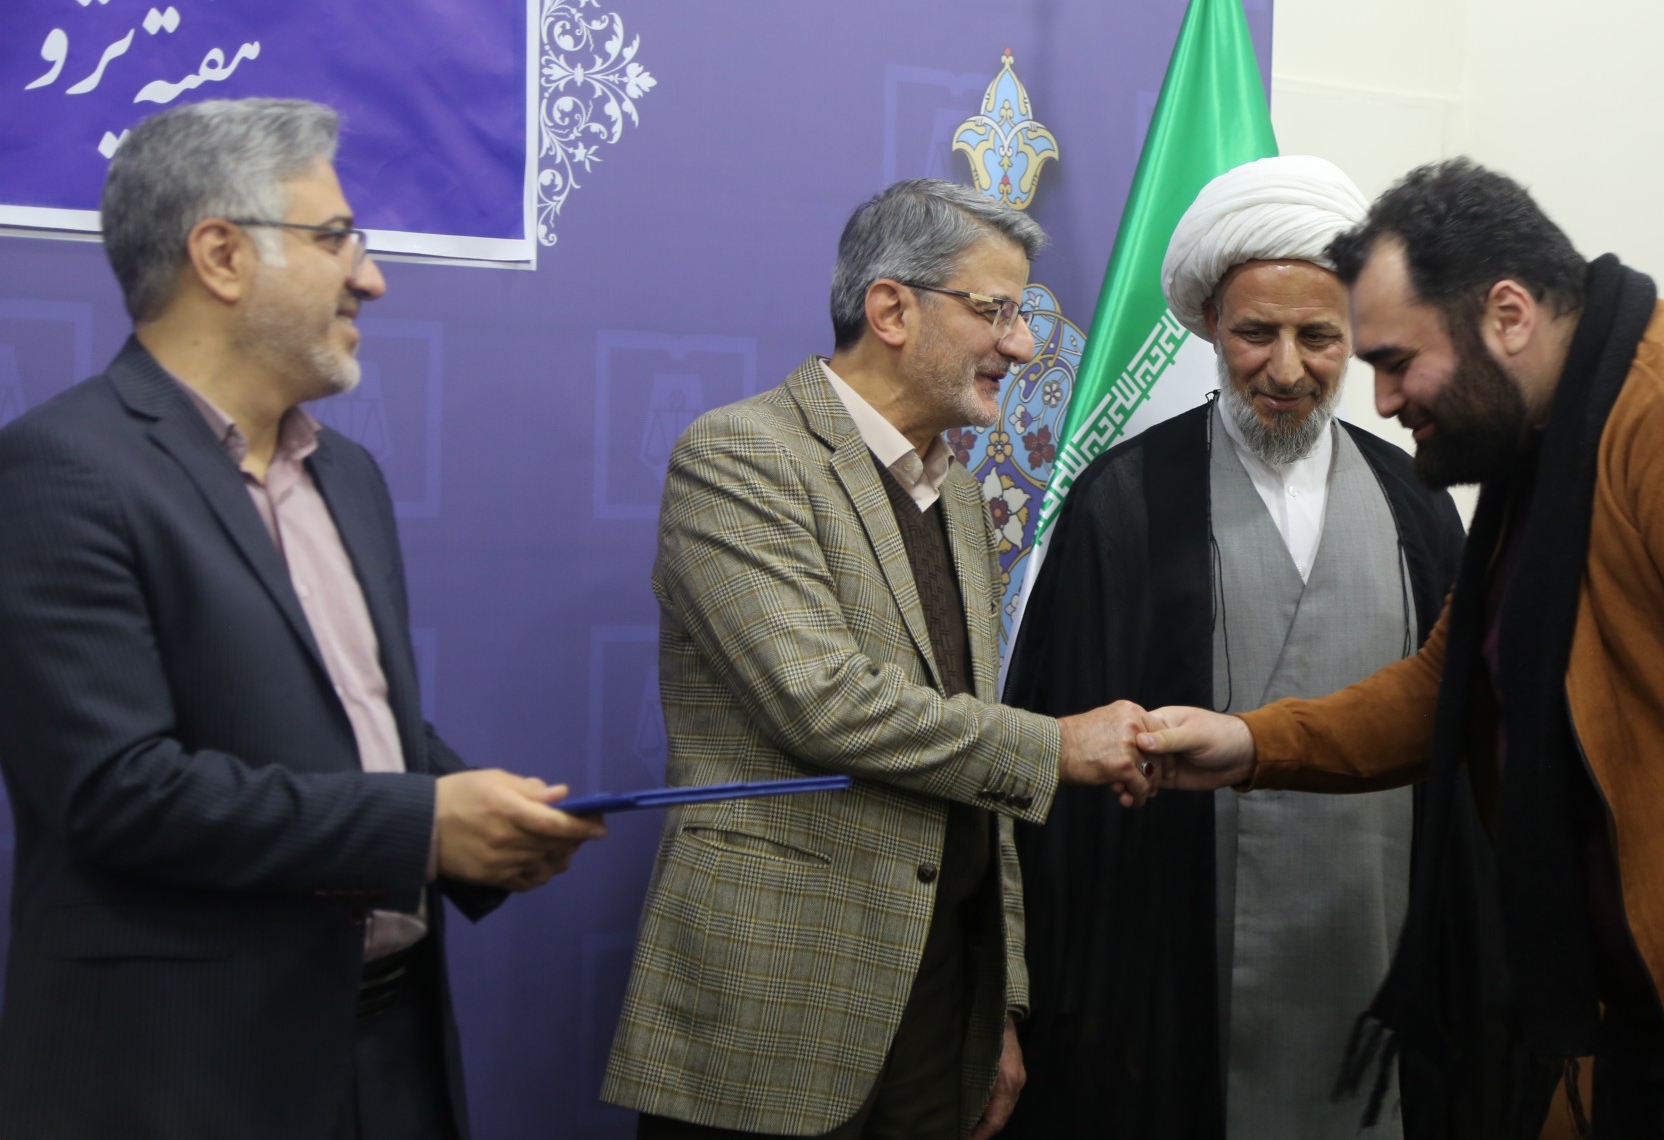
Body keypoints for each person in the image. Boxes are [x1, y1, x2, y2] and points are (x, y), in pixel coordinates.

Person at [1140, 157, 1664, 1140]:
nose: (1380, 399)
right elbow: (1454, 684)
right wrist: (1252, 742)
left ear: (1507, 315)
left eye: (1397, 360)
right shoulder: (1553, 435)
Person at [0, 97, 607, 1138]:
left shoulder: (349, 474)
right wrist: (423, 825)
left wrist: (488, 815)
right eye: (334, 239)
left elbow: (350, 715)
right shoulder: (63, 468)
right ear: (222, 255)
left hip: (395, 1052)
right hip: (189, 1076)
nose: (371, 277)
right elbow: (115, 791)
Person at [601, 178, 1159, 1140]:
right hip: (778, 1004)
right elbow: (822, 701)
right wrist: (1058, 746)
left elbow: (977, 760)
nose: (1024, 346)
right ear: (893, 308)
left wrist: (1001, 1003)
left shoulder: (963, 502)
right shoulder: (741, 455)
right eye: (997, 311)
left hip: (942, 1012)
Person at [1001, 156, 1463, 1139]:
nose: (1286, 369)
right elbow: (1056, 781)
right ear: (1210, 322)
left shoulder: (1418, 505)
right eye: (1256, 333)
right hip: (1171, 993)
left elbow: (1464, 757)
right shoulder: (1124, 501)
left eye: (1318, 336)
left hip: (1380, 966)